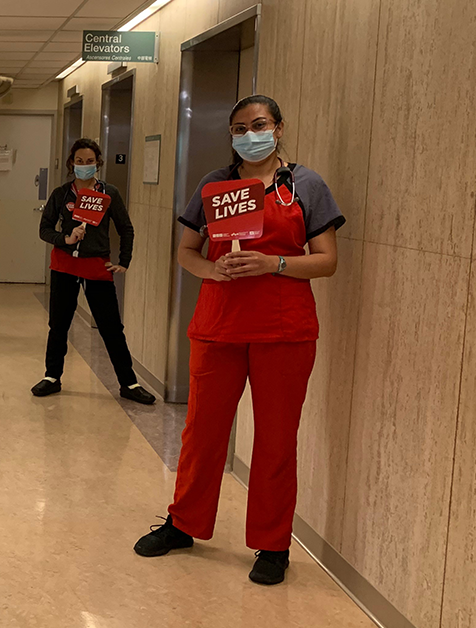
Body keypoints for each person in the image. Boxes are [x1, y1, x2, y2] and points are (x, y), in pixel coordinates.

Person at [134, 95, 344, 585]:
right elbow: (186, 251)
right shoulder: (216, 185)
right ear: (230, 136)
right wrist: (214, 270)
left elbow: (328, 260)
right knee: (202, 435)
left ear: (279, 127)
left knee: (274, 441)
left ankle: (272, 545)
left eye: (260, 124)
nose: (251, 134)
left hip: (284, 331)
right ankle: (184, 523)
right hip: (219, 326)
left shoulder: (305, 186)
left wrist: (275, 264)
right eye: (239, 128)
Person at [30, 138, 155, 405]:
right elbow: (44, 230)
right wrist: (65, 238)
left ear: (97, 163)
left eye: (90, 162)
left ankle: (129, 383)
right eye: (79, 161)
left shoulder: (109, 193)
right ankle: (52, 376)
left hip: (97, 266)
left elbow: (126, 228)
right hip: (64, 264)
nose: (84, 166)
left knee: (111, 327)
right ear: (71, 163)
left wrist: (125, 260)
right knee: (59, 325)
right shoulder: (61, 194)